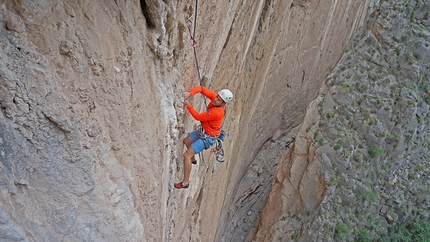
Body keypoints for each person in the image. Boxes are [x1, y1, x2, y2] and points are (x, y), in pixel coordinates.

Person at [174, 86, 233, 189]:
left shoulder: (217, 112)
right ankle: (193, 159)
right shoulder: (217, 99)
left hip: (208, 137)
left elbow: (198, 117)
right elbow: (202, 88)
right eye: (217, 96)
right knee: (187, 141)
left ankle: (185, 182)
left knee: (186, 155)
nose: (215, 99)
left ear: (223, 104)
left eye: (218, 99)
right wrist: (190, 93)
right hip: (204, 131)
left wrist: (188, 105)